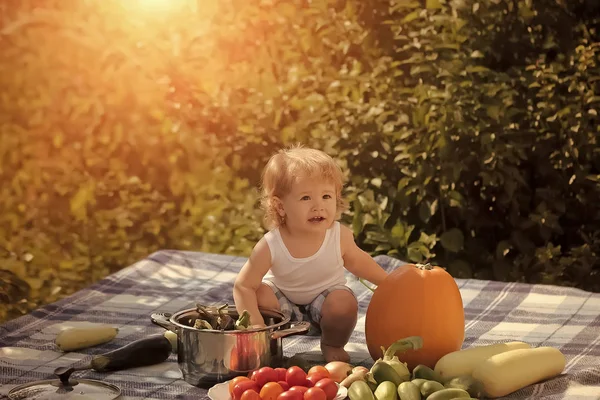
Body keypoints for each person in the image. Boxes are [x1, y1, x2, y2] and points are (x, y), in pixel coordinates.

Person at [233, 145, 388, 362]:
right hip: (281, 310)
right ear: (280, 206)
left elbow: (358, 261)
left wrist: (389, 282)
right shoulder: (271, 243)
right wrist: (255, 325)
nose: (318, 206)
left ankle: (332, 345)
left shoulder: (338, 236)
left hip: (324, 306)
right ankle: (267, 346)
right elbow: (243, 286)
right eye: (306, 198)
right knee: (260, 294)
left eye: (326, 196)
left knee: (344, 301)